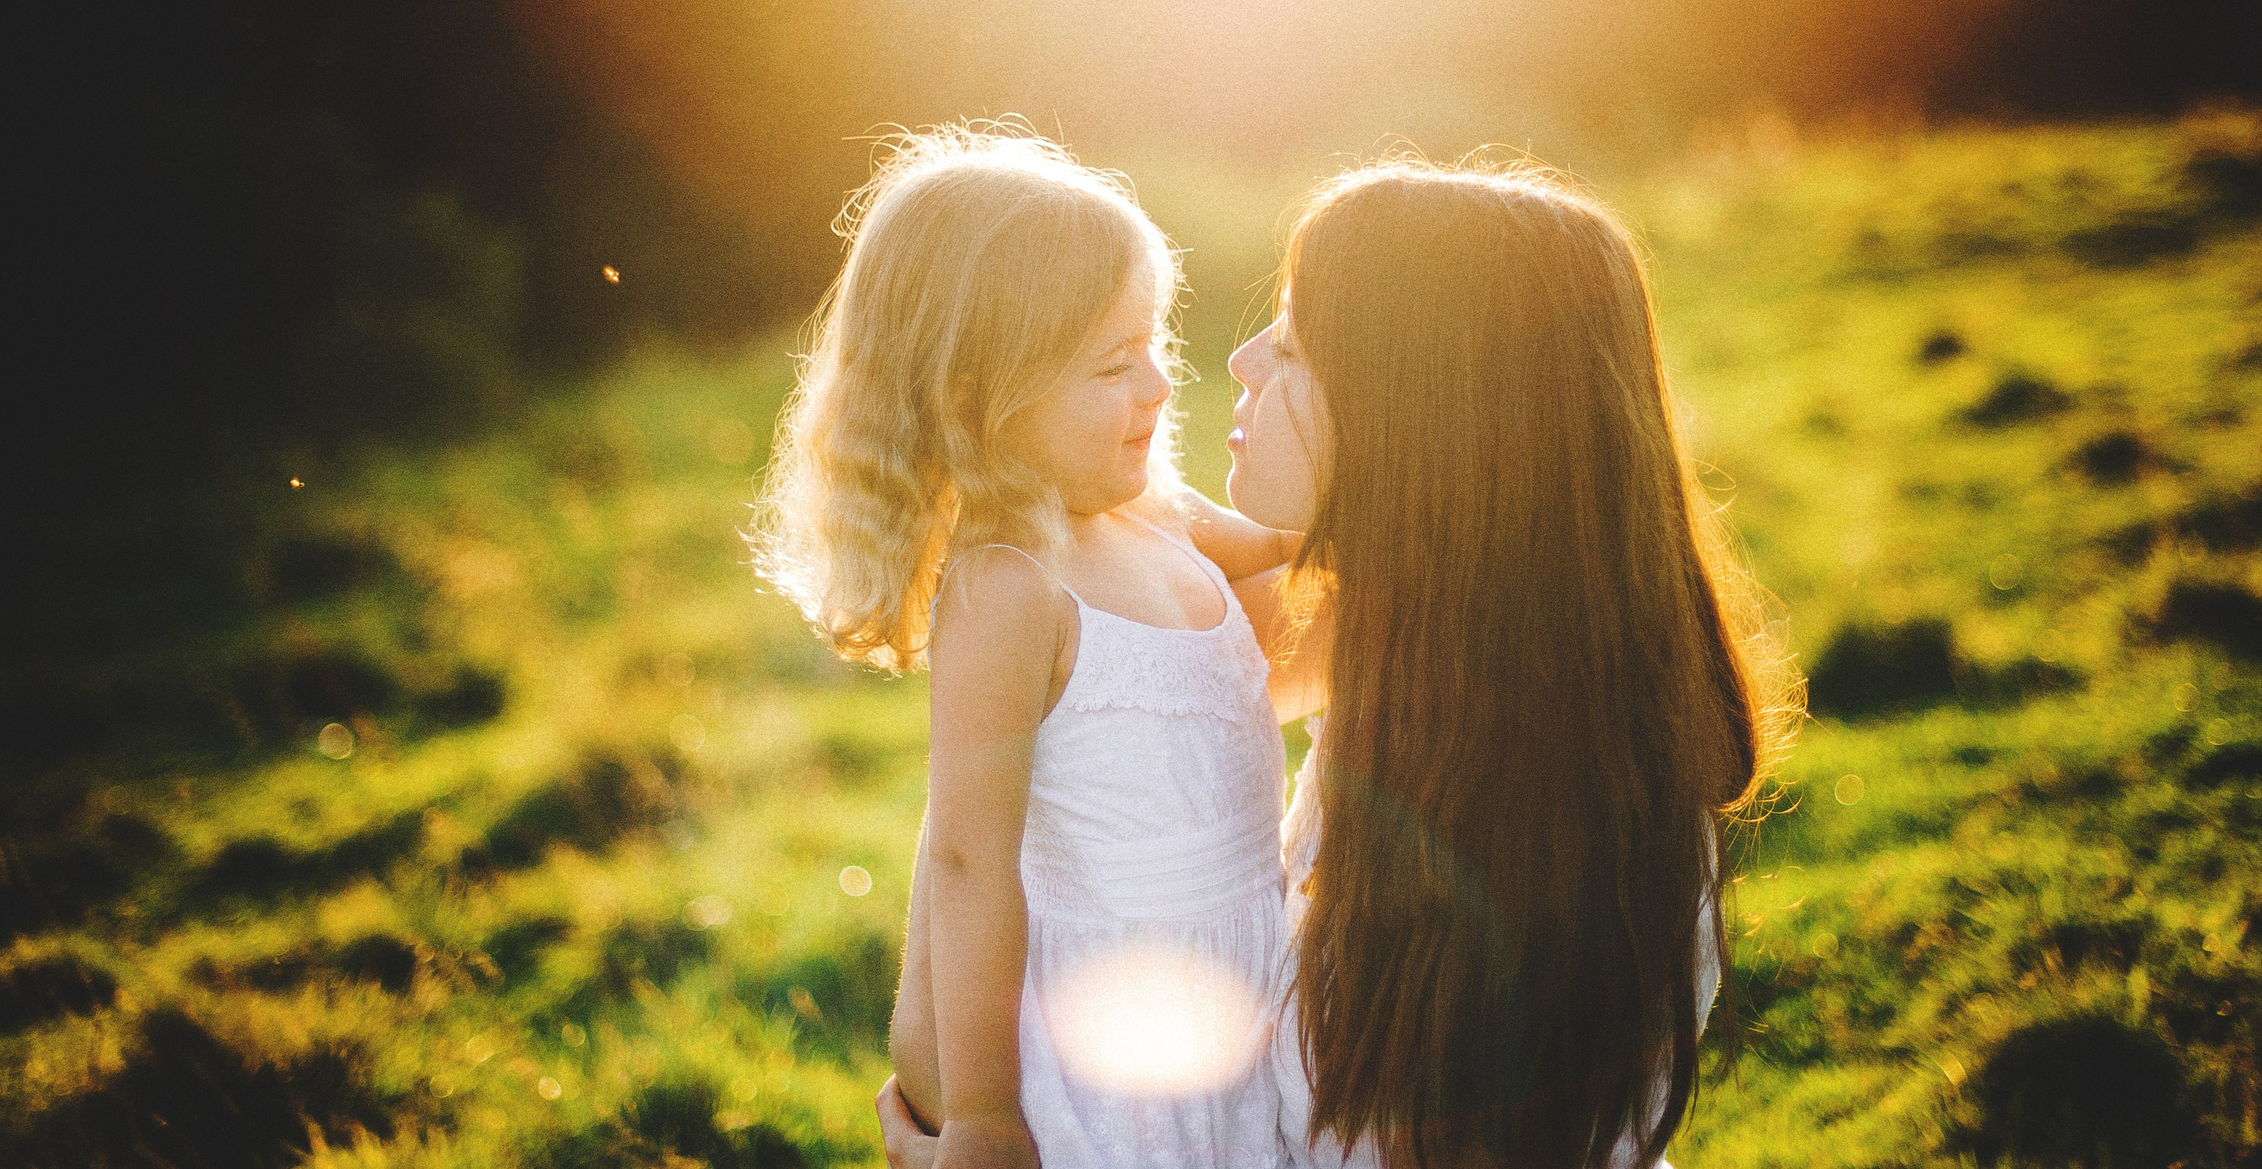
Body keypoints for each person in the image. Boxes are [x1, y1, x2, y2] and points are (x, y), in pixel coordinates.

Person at [881, 156, 1793, 1169]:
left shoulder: (1508, 829)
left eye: (1295, 342)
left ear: (1419, 420)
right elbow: (1116, 732)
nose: (1235, 362)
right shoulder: (1449, 646)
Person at [757, 127, 1298, 1169]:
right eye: (1109, 363)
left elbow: (1309, 531)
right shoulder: (1011, 585)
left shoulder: (1161, 514)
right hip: (1106, 1033)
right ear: (978, 398)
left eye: (1153, 342)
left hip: (1240, 974)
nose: (1154, 384)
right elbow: (966, 856)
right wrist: (985, 1112)